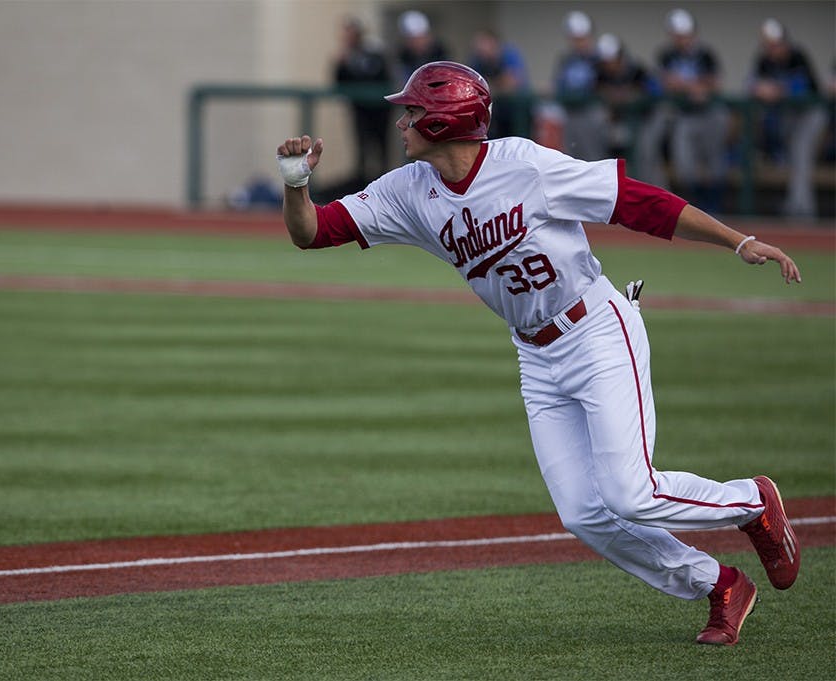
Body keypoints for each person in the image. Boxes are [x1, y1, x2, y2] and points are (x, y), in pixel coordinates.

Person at [275, 61, 801, 646]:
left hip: (597, 331)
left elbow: (638, 203)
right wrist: (296, 179)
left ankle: (752, 502)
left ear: (448, 121)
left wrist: (740, 241)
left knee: (632, 492)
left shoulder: (525, 166)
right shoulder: (408, 191)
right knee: (583, 513)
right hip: (537, 358)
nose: (402, 121)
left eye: (415, 111)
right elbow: (312, 232)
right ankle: (720, 585)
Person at [748, 19, 827, 218]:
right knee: (792, 160)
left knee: (801, 157)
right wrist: (760, 89)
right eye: (768, 45)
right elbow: (751, 84)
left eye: (775, 45)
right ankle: (796, 206)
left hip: (810, 115)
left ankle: (801, 211)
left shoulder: (797, 56)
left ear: (784, 43)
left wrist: (778, 90)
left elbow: (807, 89)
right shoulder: (763, 60)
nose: (772, 49)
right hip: (786, 118)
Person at [656, 8, 729, 212]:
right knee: (684, 166)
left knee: (715, 163)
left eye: (685, 35)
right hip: (684, 115)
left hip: (710, 114)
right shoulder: (667, 55)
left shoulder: (705, 53)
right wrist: (694, 86)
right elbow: (667, 82)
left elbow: (716, 82)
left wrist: (689, 85)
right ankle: (694, 208)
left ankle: (713, 207)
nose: (682, 40)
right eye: (678, 36)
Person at [595, 33, 670, 187]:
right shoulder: (600, 74)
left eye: (613, 60)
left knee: (647, 157)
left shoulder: (637, 71)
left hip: (647, 121)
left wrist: (633, 94)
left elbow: (656, 93)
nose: (609, 65)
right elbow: (596, 92)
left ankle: (660, 198)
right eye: (606, 61)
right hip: (620, 126)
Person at [333, 16, 393, 184]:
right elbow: (339, 82)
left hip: (380, 109)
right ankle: (361, 183)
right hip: (359, 109)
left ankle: (383, 182)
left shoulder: (374, 50)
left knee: (381, 147)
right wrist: (341, 64)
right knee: (362, 148)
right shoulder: (346, 55)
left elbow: (378, 75)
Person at [552, 11, 607, 161]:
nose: (579, 43)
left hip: (592, 112)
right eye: (575, 39)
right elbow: (558, 85)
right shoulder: (566, 60)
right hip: (570, 114)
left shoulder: (600, 59)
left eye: (582, 38)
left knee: (593, 156)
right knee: (571, 156)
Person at [467, 27, 530, 139]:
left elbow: (512, 83)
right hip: (493, 110)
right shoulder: (477, 60)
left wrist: (492, 85)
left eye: (483, 43)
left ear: (493, 43)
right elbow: (472, 85)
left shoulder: (509, 54)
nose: (479, 47)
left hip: (515, 110)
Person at [394, 10, 448, 86]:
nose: (417, 42)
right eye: (412, 39)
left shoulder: (441, 55)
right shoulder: (401, 57)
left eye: (420, 38)